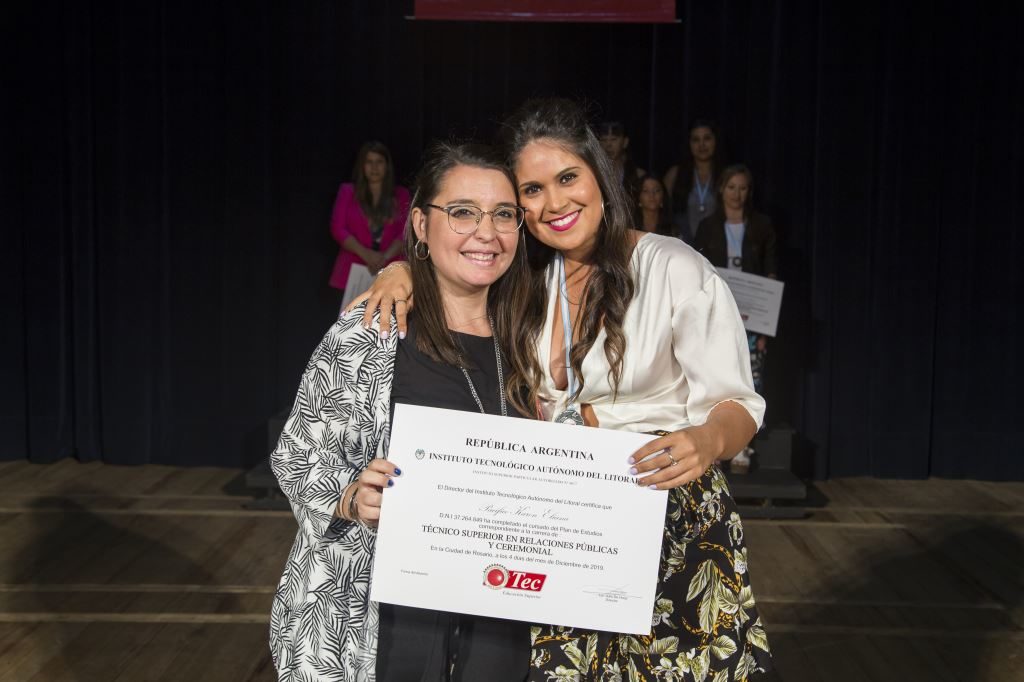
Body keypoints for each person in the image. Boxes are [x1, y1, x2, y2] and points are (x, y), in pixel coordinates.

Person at [351, 99, 773, 680]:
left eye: (568, 178)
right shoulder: (524, 280)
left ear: (600, 176)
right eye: (532, 189)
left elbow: (739, 404)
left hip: (665, 517)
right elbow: (452, 270)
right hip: (560, 527)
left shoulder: (673, 268)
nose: (554, 203)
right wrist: (401, 270)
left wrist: (707, 440)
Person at [271, 142, 534, 681]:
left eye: (503, 214)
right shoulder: (373, 328)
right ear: (420, 224)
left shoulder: (534, 338)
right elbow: (297, 456)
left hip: (500, 617)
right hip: (381, 618)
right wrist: (351, 496)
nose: (486, 231)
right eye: (462, 212)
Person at [694, 164, 779, 473]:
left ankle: (744, 445)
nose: (737, 194)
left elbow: (770, 275)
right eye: (732, 187)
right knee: (715, 373)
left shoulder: (762, 226)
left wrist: (765, 325)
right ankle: (715, 441)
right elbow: (698, 271)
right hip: (718, 314)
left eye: (743, 188)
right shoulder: (708, 227)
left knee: (751, 377)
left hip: (753, 318)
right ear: (721, 189)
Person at [328, 141, 411, 295]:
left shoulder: (401, 195)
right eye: (369, 162)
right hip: (352, 272)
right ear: (362, 166)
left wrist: (383, 258)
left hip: (391, 272)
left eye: (379, 162)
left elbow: (406, 232)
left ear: (387, 166)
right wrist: (367, 255)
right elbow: (338, 228)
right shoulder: (348, 192)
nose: (374, 167)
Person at [662, 120, 723, 244]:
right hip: (683, 245)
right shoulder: (675, 174)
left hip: (718, 245)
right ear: (689, 144)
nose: (702, 145)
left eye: (707, 138)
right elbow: (663, 214)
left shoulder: (725, 175)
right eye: (696, 140)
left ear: (715, 141)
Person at [596, 120, 645, 199]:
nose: (608, 145)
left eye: (613, 139)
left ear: (625, 142)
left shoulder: (638, 175)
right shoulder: (593, 172)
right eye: (604, 140)